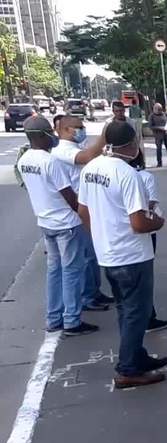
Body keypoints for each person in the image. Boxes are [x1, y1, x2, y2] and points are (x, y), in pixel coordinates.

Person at [77, 121, 167, 389]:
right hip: (131, 254)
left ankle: (136, 356)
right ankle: (128, 368)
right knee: (136, 312)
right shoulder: (127, 174)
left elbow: (83, 211)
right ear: (131, 144)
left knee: (125, 310)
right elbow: (139, 223)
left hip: (108, 253)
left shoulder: (91, 168)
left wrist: (101, 236)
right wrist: (159, 223)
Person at [18, 116, 99, 336]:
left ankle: (54, 317)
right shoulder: (50, 161)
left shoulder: (24, 160)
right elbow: (70, 197)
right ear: (43, 136)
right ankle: (72, 320)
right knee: (72, 271)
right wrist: (86, 217)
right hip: (66, 223)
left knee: (54, 271)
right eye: (50, 135)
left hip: (45, 222)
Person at [52, 114, 116, 313]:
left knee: (92, 255)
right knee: (86, 257)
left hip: (88, 205)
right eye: (78, 127)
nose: (82, 130)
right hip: (77, 211)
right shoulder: (62, 151)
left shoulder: (74, 148)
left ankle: (93, 292)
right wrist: (105, 134)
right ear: (65, 130)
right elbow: (88, 157)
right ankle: (86, 297)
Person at [127, 150, 167, 333]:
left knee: (128, 280)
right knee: (143, 276)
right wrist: (157, 222)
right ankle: (147, 317)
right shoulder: (143, 177)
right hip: (142, 228)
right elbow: (151, 203)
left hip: (117, 233)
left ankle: (138, 316)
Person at [146, 103, 167, 168]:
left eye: (160, 109)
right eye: (157, 109)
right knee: (159, 149)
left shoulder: (165, 114)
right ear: (154, 109)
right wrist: (160, 128)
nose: (159, 110)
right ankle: (159, 162)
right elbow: (150, 126)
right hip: (158, 134)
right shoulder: (152, 116)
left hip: (166, 133)